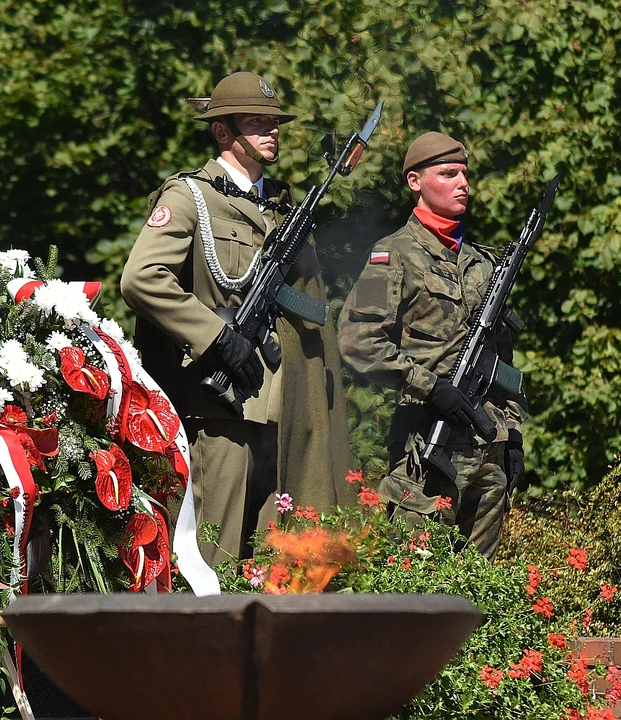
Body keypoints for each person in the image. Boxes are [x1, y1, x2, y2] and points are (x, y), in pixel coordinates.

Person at [121, 71, 352, 566]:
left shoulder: (285, 206)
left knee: (275, 568)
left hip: (281, 406)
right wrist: (215, 337)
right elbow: (141, 279)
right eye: (256, 122)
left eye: (274, 122)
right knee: (213, 558)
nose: (271, 131)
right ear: (222, 132)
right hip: (221, 404)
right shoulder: (190, 197)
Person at [337, 131, 527, 559]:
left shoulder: (482, 265)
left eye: (464, 173)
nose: (463, 183)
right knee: (413, 585)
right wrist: (429, 386)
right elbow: (357, 341)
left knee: (478, 592)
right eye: (447, 173)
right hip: (426, 451)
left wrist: (512, 434)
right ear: (415, 181)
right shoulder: (394, 255)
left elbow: (504, 365)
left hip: (486, 451)